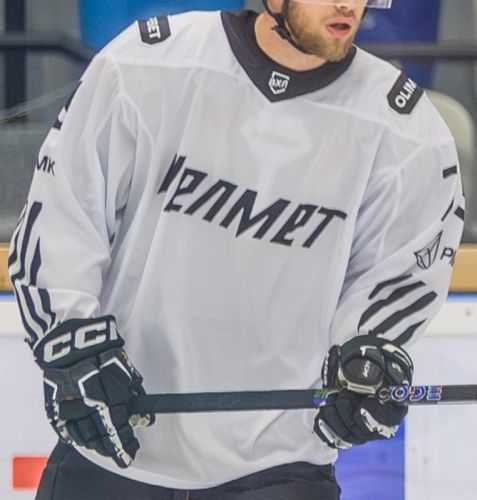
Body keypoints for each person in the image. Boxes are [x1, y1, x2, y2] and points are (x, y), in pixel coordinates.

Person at [9, 0, 464, 499]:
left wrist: (369, 355)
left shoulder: (407, 130)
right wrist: (71, 345)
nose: (347, 4)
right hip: (116, 445)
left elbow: (401, 276)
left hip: (279, 464)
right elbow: (62, 214)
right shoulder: (149, 61)